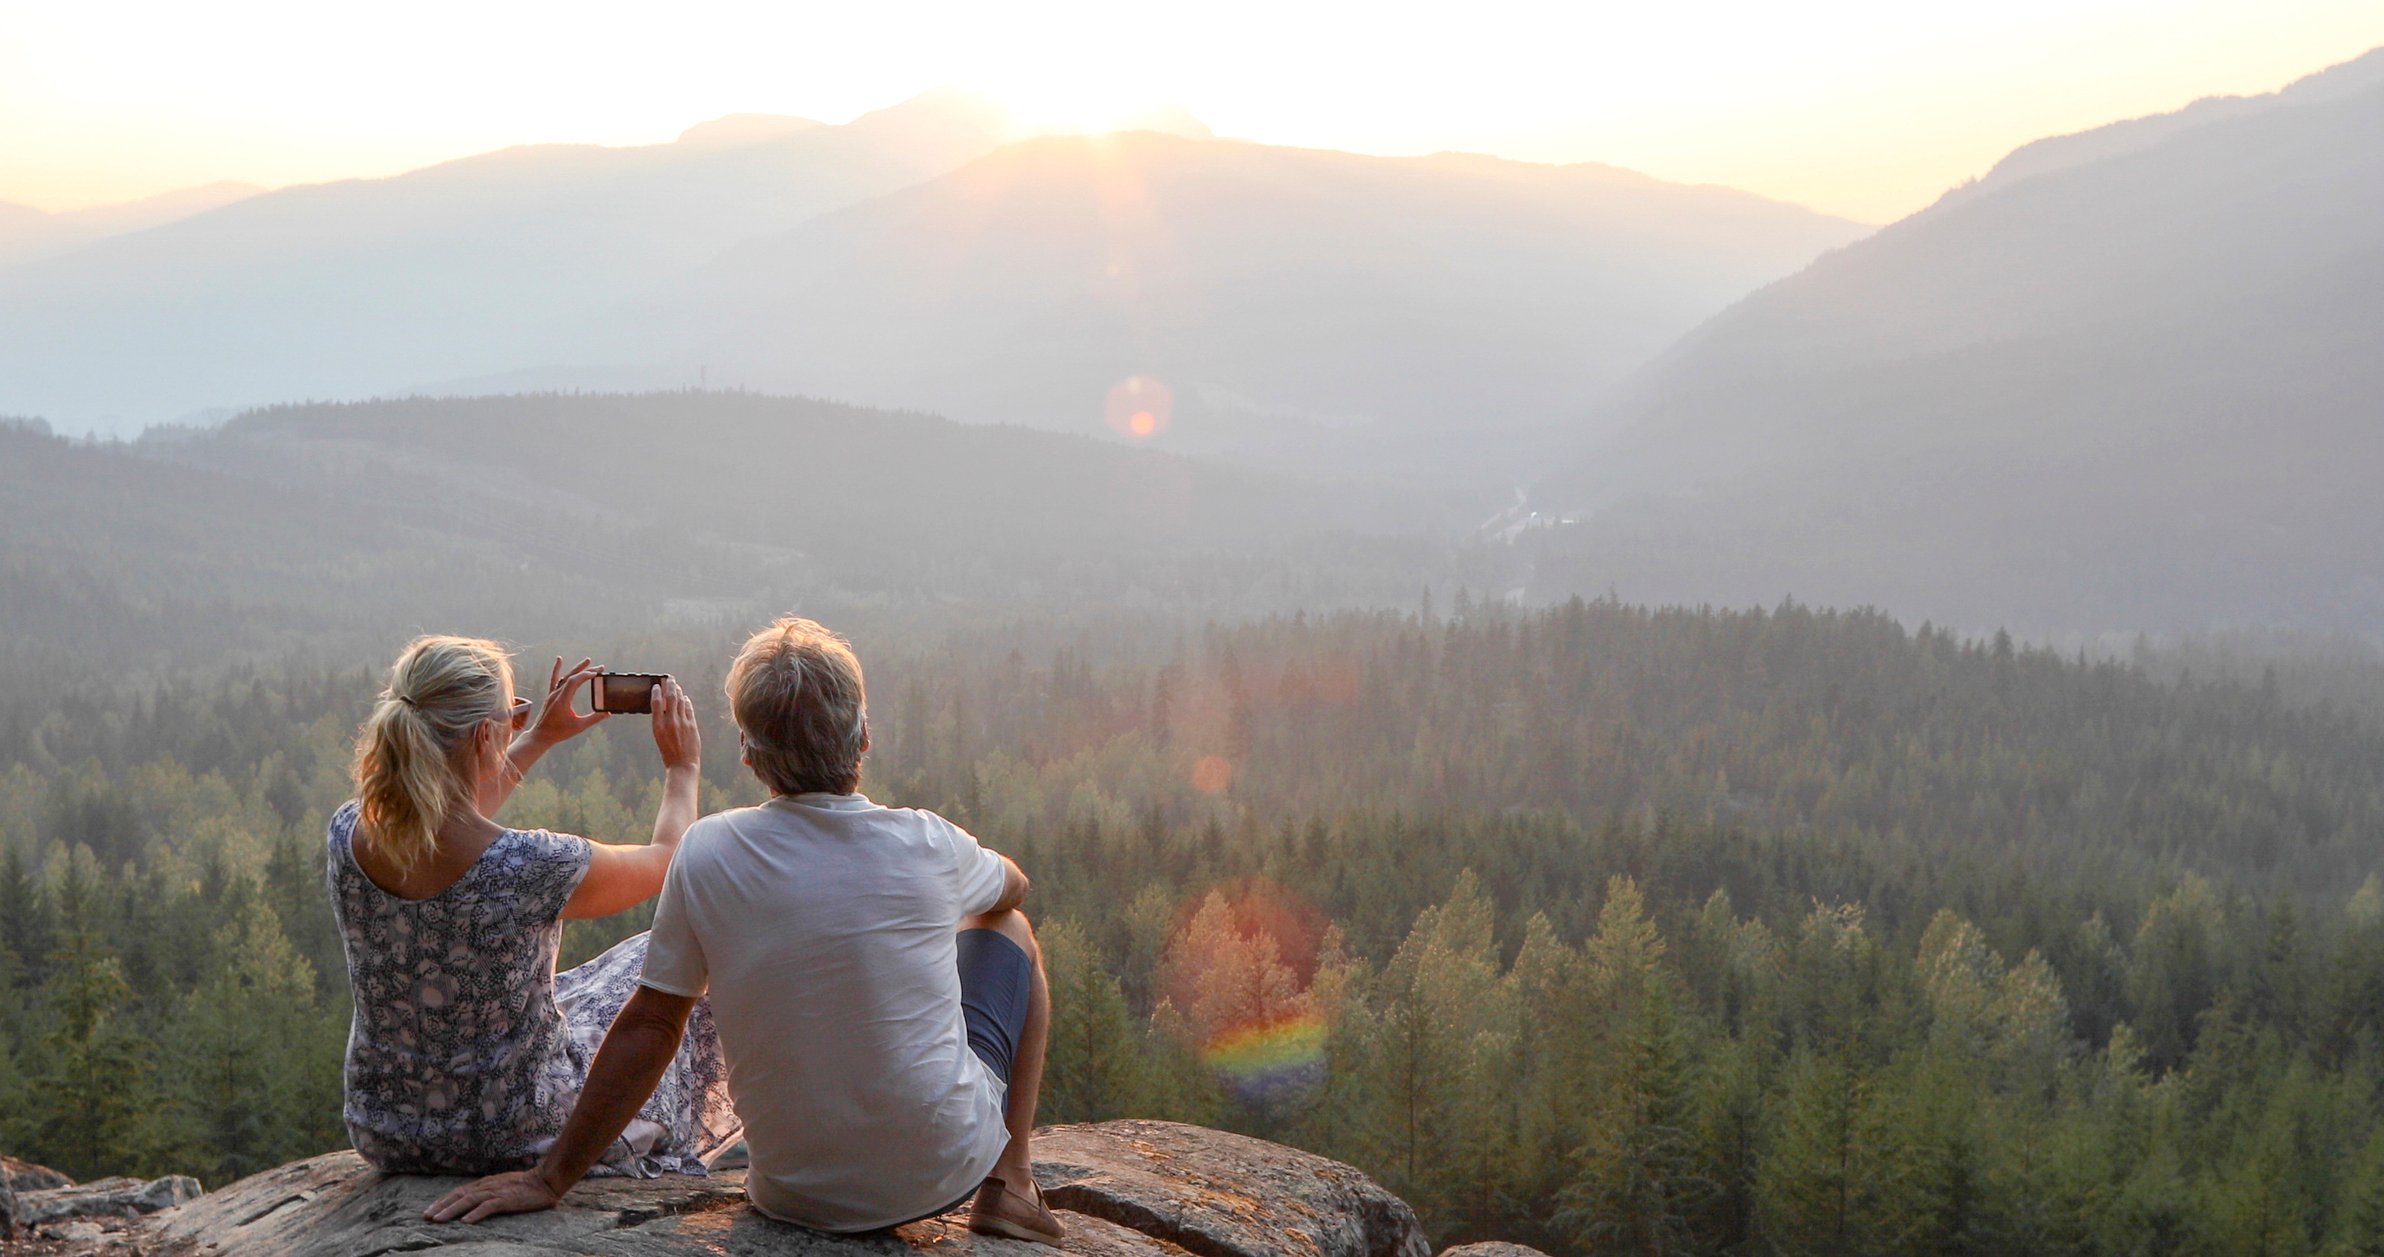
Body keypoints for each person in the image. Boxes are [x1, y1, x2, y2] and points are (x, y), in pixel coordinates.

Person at [427, 616, 1064, 1245]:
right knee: (1010, 928)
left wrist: (551, 1178)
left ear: (748, 753)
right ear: (862, 738)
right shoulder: (930, 841)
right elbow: (1012, 888)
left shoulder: (709, 851)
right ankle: (1011, 1183)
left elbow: (652, 1025)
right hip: (942, 1173)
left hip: (794, 1194)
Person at [328, 635, 741, 1177]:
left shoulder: (349, 832)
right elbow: (667, 860)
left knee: (579, 990)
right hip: (511, 1132)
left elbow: (442, 813)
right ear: (484, 734)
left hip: (386, 1129)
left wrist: (538, 737)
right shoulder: (529, 865)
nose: (518, 720)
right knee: (675, 962)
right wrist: (683, 768)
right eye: (511, 715)